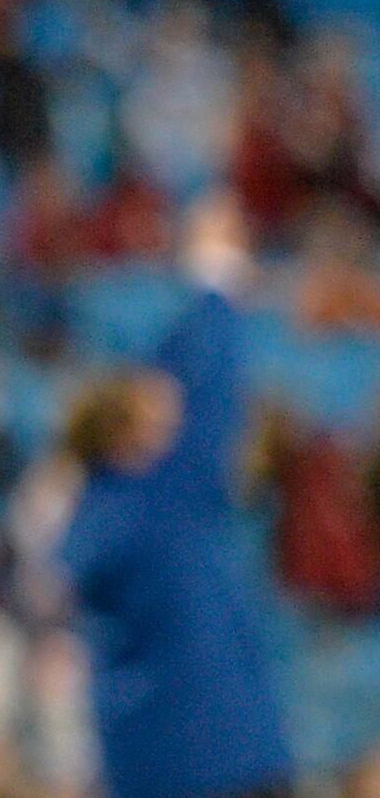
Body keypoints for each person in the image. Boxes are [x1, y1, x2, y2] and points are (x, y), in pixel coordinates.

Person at [57, 194, 292, 798]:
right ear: (128, 436)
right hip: (215, 763)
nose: (175, 421)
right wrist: (216, 275)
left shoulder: (104, 506)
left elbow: (171, 380)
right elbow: (211, 396)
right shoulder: (155, 505)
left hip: (154, 765)